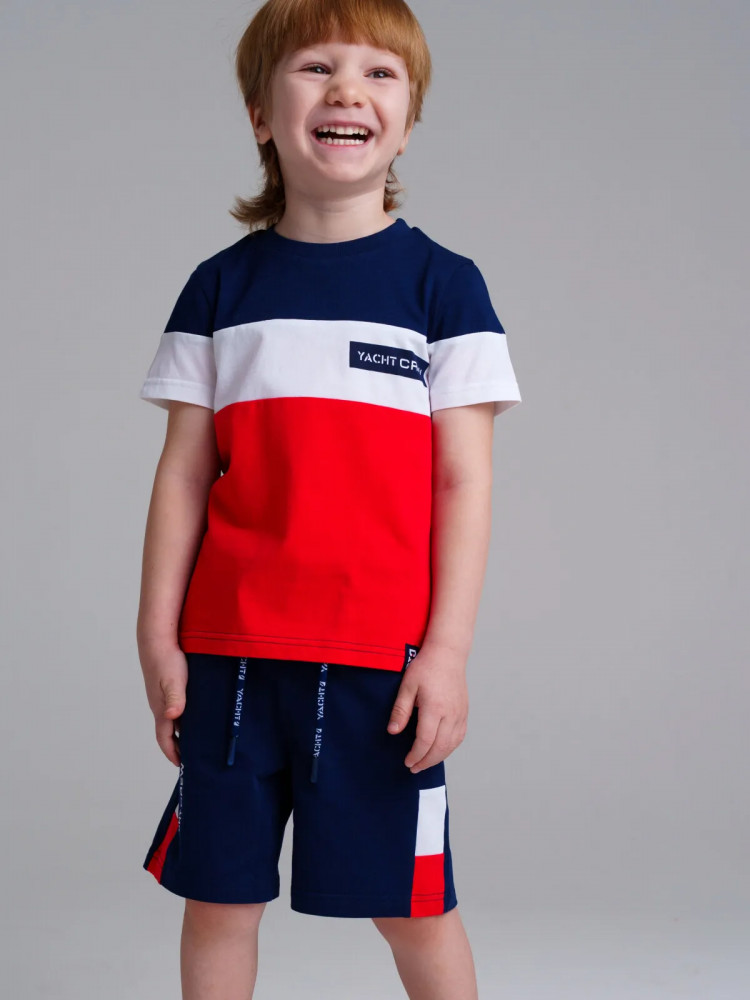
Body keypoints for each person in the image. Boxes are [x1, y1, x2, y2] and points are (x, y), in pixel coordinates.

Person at [136, 0, 522, 996]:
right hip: (229, 653)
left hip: (379, 667)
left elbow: (464, 481)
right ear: (261, 115)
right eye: (316, 68)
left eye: (379, 73)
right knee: (218, 900)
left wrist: (447, 653)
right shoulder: (218, 290)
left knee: (412, 907)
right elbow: (183, 472)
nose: (348, 89)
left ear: (408, 119)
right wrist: (157, 633)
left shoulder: (445, 288)